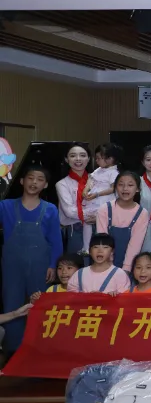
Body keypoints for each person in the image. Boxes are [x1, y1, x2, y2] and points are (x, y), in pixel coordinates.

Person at [1, 164, 63, 349]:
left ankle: (39, 350)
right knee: (12, 306)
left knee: (40, 306)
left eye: (40, 179)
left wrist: (53, 265)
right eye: (30, 178)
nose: (34, 182)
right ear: (22, 181)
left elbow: (56, 241)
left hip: (40, 266)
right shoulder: (5, 206)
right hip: (12, 266)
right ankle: (13, 351)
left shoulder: (50, 209)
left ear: (46, 185)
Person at [95, 171, 149, 272]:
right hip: (104, 262)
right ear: (115, 187)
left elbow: (135, 244)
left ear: (138, 189)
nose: (125, 188)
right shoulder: (105, 209)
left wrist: (126, 268)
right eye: (121, 185)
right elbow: (102, 241)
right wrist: (107, 265)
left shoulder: (142, 213)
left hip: (129, 265)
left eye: (130, 185)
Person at [56, 143, 92, 253]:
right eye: (72, 156)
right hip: (74, 229)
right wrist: (98, 215)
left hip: (100, 227)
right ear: (66, 160)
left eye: (82, 155)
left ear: (88, 159)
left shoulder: (97, 179)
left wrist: (99, 217)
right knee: (77, 261)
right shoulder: (62, 184)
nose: (78, 159)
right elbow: (70, 212)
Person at [84, 143, 120, 223]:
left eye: (98, 158)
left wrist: (97, 194)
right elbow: (91, 179)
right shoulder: (98, 169)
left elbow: (113, 188)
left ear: (110, 159)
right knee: (88, 219)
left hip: (104, 199)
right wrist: (86, 190)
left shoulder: (113, 172)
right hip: (93, 197)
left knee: (101, 219)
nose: (96, 160)